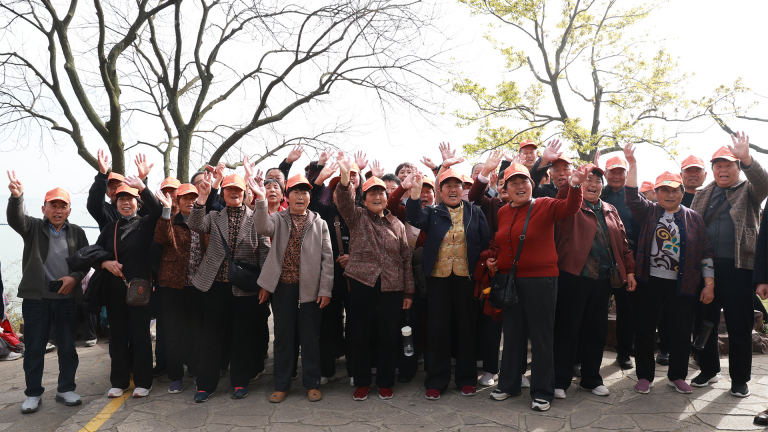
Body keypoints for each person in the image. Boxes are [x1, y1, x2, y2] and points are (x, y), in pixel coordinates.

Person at [484, 162, 587, 411]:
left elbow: (571, 207)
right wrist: (494, 258)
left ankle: (542, 391)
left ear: (532, 184)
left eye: (524, 182)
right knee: (512, 335)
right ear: (505, 189)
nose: (520, 186)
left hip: (541, 280)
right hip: (511, 280)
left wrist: (575, 184)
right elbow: (503, 240)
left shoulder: (544, 204)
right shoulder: (502, 211)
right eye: (513, 183)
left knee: (541, 337)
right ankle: (509, 384)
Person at [624, 146, 716, 395]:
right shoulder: (649, 212)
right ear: (656, 193)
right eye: (664, 189)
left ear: (681, 192)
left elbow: (706, 252)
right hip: (649, 281)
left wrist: (709, 283)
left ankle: (677, 375)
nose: (670, 194)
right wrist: (632, 164)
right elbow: (632, 196)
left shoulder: (693, 218)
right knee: (644, 328)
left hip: (682, 284)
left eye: (674, 189)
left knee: (681, 330)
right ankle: (645, 375)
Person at [690, 132, 768, 397]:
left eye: (729, 165)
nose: (723, 170)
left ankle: (740, 378)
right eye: (718, 166)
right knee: (705, 322)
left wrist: (746, 157)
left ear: (737, 168)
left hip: (739, 268)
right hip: (707, 268)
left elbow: (764, 183)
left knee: (738, 325)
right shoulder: (702, 194)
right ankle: (708, 369)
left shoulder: (749, 189)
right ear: (712, 170)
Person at [6, 173, 90, 413]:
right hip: (36, 300)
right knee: (33, 348)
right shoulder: (32, 227)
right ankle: (33, 393)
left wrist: (74, 278)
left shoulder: (77, 232)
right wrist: (17, 197)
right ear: (44, 208)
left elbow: (85, 262)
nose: (58, 210)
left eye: (63, 206)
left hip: (65, 300)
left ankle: (66, 388)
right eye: (53, 205)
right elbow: (15, 219)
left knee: (67, 347)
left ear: (69, 210)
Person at [552, 165, 636, 399]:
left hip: (603, 280)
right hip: (573, 276)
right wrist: (573, 185)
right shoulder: (570, 205)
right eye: (588, 180)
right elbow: (560, 200)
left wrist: (629, 270)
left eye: (597, 180)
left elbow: (623, 242)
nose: (593, 184)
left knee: (596, 331)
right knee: (567, 330)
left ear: (602, 185)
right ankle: (560, 380)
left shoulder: (610, 209)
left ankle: (591, 379)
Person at [406, 167, 491, 401]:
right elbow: (413, 218)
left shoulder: (474, 212)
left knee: (466, 328)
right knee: (437, 330)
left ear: (463, 189)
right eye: (447, 186)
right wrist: (414, 192)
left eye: (457, 186)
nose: (453, 190)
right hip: (438, 280)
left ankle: (466, 379)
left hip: (466, 279)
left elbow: (485, 242)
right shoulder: (432, 212)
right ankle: (436, 380)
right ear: (440, 191)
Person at [335, 155, 414, 401]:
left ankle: (385, 381)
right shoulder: (356, 216)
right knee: (359, 334)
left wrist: (408, 292)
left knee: (389, 335)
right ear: (365, 198)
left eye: (381, 193)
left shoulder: (397, 224)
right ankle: (361, 381)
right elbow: (345, 200)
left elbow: (406, 259)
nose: (377, 196)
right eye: (372, 193)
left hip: (392, 286)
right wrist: (346, 176)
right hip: (361, 283)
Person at [187, 173, 270, 402]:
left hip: (245, 288)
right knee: (211, 337)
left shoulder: (257, 219)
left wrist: (264, 284)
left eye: (239, 190)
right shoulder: (213, 216)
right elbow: (195, 224)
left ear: (245, 194)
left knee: (242, 337)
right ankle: (205, 385)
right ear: (222, 193)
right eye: (229, 189)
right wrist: (202, 198)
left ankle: (240, 382)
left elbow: (264, 251)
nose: (234, 193)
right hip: (215, 285)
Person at [252, 174, 333, 404]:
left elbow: (327, 259)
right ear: (288, 196)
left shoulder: (320, 223)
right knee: (283, 339)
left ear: (309, 197)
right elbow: (261, 226)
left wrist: (325, 289)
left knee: (310, 339)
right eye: (296, 192)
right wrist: (260, 199)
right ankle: (282, 385)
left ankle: (312, 384)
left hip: (310, 290)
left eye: (305, 192)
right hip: (283, 289)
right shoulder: (278, 219)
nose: (300, 196)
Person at [468, 151, 520, 387]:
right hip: (493, 274)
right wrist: (485, 172)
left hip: (522, 273)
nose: (504, 188)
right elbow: (474, 196)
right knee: (492, 322)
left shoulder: (531, 207)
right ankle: (490, 369)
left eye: (508, 184)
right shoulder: (492, 205)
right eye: (500, 184)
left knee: (518, 326)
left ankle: (516, 371)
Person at [154, 184, 208, 394]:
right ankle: (175, 376)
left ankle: (195, 371)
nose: (190, 201)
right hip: (172, 286)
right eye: (185, 197)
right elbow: (161, 238)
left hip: (197, 287)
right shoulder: (170, 220)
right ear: (178, 199)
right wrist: (167, 210)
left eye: (193, 197)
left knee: (197, 333)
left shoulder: (202, 223)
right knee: (173, 333)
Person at [309, 159, 358, 384]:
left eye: (345, 188)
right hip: (329, 276)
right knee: (328, 324)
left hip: (357, 277)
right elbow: (309, 202)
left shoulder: (363, 214)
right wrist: (320, 178)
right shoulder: (325, 212)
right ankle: (326, 370)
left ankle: (355, 370)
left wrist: (354, 258)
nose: (341, 192)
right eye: (336, 189)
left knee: (356, 323)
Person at [387, 171, 434, 383]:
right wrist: (403, 187)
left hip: (435, 277)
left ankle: (433, 367)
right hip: (410, 277)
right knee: (411, 323)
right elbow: (390, 206)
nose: (424, 195)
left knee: (433, 324)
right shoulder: (407, 213)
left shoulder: (440, 214)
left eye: (428, 191)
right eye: (420, 191)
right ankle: (408, 367)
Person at [600, 154, 641, 370]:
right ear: (605, 174)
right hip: (600, 254)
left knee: (627, 307)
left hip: (628, 255)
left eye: (620, 172)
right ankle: (591, 351)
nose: (616, 176)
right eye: (612, 172)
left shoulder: (635, 197)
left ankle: (625, 351)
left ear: (626, 174)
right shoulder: (598, 192)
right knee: (597, 306)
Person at [87, 151, 153, 230]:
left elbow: (151, 209)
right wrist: (102, 175)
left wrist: (142, 182)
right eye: (113, 188)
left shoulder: (137, 208)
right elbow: (94, 202)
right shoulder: (106, 211)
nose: (117, 190)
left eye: (120, 186)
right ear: (107, 193)